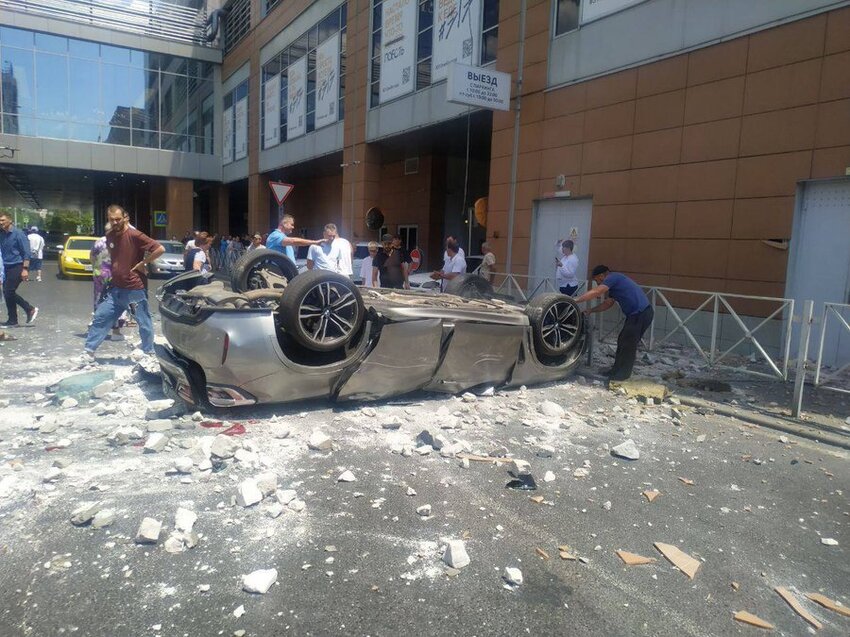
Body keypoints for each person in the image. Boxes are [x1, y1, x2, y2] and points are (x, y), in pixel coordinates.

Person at [83, 204, 164, 361]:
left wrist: (143, 263)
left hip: (134, 290)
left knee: (143, 321)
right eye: (111, 219)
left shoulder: (135, 235)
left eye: (118, 219)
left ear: (125, 218)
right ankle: (88, 352)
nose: (114, 222)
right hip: (116, 290)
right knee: (101, 317)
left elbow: (160, 249)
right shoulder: (110, 236)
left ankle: (149, 352)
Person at [575, 265, 653, 382]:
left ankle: (622, 375)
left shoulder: (613, 277)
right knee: (622, 340)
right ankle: (616, 370)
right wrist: (591, 310)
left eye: (597, 280)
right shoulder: (614, 286)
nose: (598, 283)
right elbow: (608, 303)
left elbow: (598, 291)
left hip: (641, 313)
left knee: (628, 343)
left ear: (602, 275)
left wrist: (576, 300)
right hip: (635, 315)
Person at [0, 213, 37, 327]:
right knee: (7, 293)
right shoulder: (1, 234)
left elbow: (26, 252)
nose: (1, 223)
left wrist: (25, 269)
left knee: (9, 291)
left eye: (3, 220)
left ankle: (29, 309)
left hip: (17, 265)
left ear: (10, 221)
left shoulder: (18, 234)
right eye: (0, 221)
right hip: (6, 266)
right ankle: (13, 320)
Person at [91, 225, 126, 341]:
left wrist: (96, 268)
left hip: (99, 274)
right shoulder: (119, 242)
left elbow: (91, 256)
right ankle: (116, 332)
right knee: (115, 301)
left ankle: (97, 330)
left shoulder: (99, 241)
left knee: (98, 300)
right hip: (113, 275)